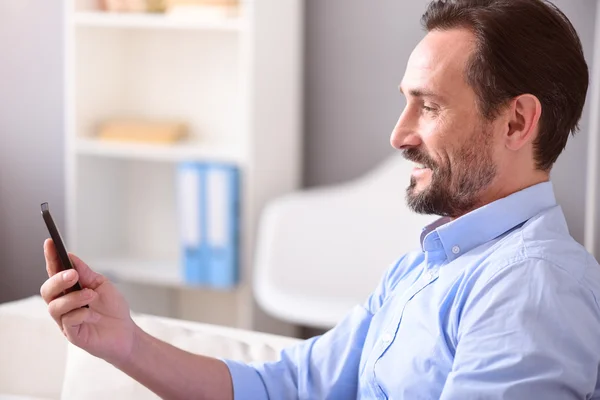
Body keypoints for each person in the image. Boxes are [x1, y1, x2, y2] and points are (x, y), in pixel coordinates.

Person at [41, 0, 600, 398]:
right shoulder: (427, 266)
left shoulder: (531, 288)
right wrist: (125, 342)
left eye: (428, 107)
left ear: (517, 122)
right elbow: (286, 386)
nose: (398, 134)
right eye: (406, 103)